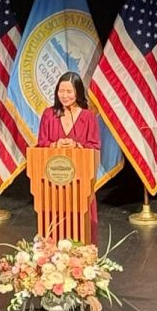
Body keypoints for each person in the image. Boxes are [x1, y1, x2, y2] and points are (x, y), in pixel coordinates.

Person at [37, 70, 101, 244]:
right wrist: (54, 145)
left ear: (78, 92)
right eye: (61, 91)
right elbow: (41, 144)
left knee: (82, 223)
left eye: (69, 92)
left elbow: (94, 146)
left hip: (80, 181)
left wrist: (77, 146)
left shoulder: (88, 117)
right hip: (54, 183)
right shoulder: (49, 114)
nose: (64, 96)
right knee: (54, 222)